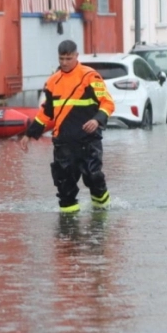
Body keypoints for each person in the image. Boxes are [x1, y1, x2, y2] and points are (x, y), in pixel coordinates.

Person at [19, 39, 115, 213]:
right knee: (64, 185)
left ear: (76, 56)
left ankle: (103, 215)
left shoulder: (90, 77)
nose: (64, 63)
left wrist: (96, 120)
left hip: (88, 140)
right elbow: (47, 113)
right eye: (61, 59)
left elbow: (107, 103)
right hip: (64, 142)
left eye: (68, 58)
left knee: (93, 177)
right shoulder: (52, 82)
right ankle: (68, 230)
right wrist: (29, 134)